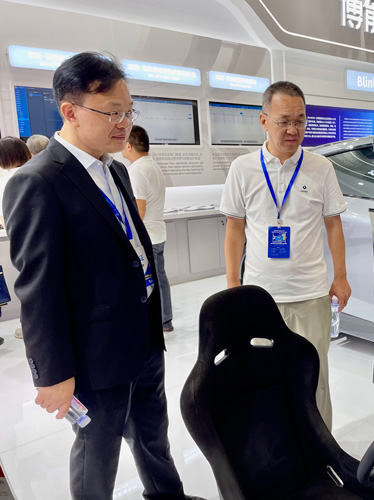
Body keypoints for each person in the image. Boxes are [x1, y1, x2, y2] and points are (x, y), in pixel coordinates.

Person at [3, 52, 203, 500]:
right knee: (98, 451)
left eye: (129, 112)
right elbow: (38, 287)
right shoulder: (38, 181)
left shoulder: (117, 170)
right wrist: (52, 373)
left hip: (143, 339)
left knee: (153, 433)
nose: (124, 124)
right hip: (94, 354)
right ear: (70, 111)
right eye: (113, 113)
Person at [220, 81, 351, 430]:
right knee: (264, 378)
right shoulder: (243, 168)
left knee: (314, 377)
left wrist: (340, 276)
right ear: (264, 121)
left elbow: (333, 225)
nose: (293, 129)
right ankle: (274, 447)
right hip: (260, 296)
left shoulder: (321, 167)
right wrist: (233, 282)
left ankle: (320, 449)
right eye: (284, 121)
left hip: (311, 294)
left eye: (300, 120)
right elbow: (234, 228)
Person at [122, 125, 173, 332]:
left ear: (129, 145)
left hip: (147, 237)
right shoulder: (152, 166)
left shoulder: (137, 171)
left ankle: (161, 320)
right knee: (159, 278)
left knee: (151, 280)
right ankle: (165, 320)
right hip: (157, 233)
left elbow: (139, 211)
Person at [0, 136, 32, 341]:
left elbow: (5, 218)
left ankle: (27, 325)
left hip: (20, 240)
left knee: (27, 283)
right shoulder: (36, 172)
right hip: (44, 237)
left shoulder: (5, 179)